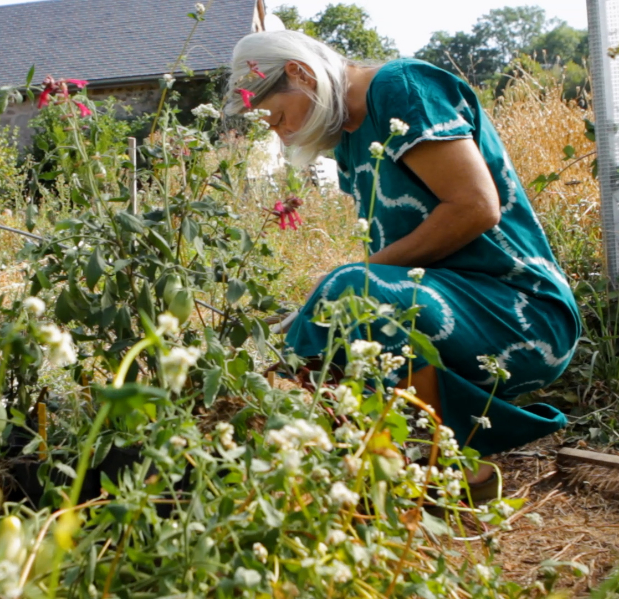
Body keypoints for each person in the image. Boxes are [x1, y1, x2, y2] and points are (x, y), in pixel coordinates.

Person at [224, 30, 581, 488]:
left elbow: (476, 206)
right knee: (329, 319)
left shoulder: (402, 87)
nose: (282, 133)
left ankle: (444, 466)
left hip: (522, 312)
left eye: (278, 118)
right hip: (458, 309)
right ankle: (340, 462)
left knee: (352, 289)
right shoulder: (349, 138)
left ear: (301, 74)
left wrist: (353, 278)